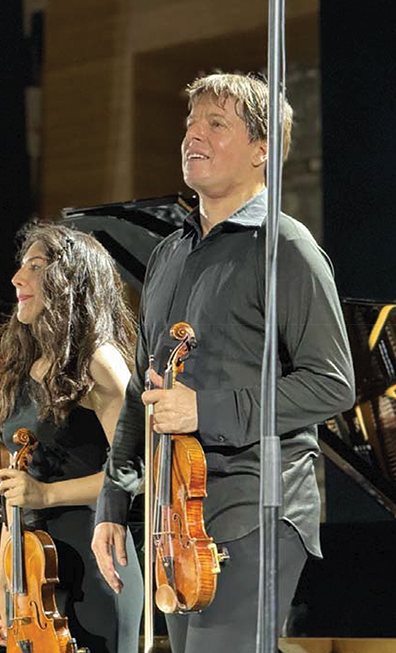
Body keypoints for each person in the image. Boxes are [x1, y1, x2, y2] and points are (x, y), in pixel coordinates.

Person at [91, 72, 356, 652]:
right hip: (173, 517)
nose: (193, 135)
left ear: (264, 151)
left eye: (216, 124)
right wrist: (113, 501)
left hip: (254, 509)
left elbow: (333, 385)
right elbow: (145, 387)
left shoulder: (286, 247)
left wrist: (204, 409)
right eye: (190, 124)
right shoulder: (169, 253)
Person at [0, 223, 142, 652]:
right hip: (30, 568)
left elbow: (135, 470)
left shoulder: (99, 361)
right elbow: (15, 492)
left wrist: (46, 495)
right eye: (20, 266)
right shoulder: (22, 366)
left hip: (95, 559)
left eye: (35, 267)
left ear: (70, 281)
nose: (17, 278)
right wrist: (2, 584)